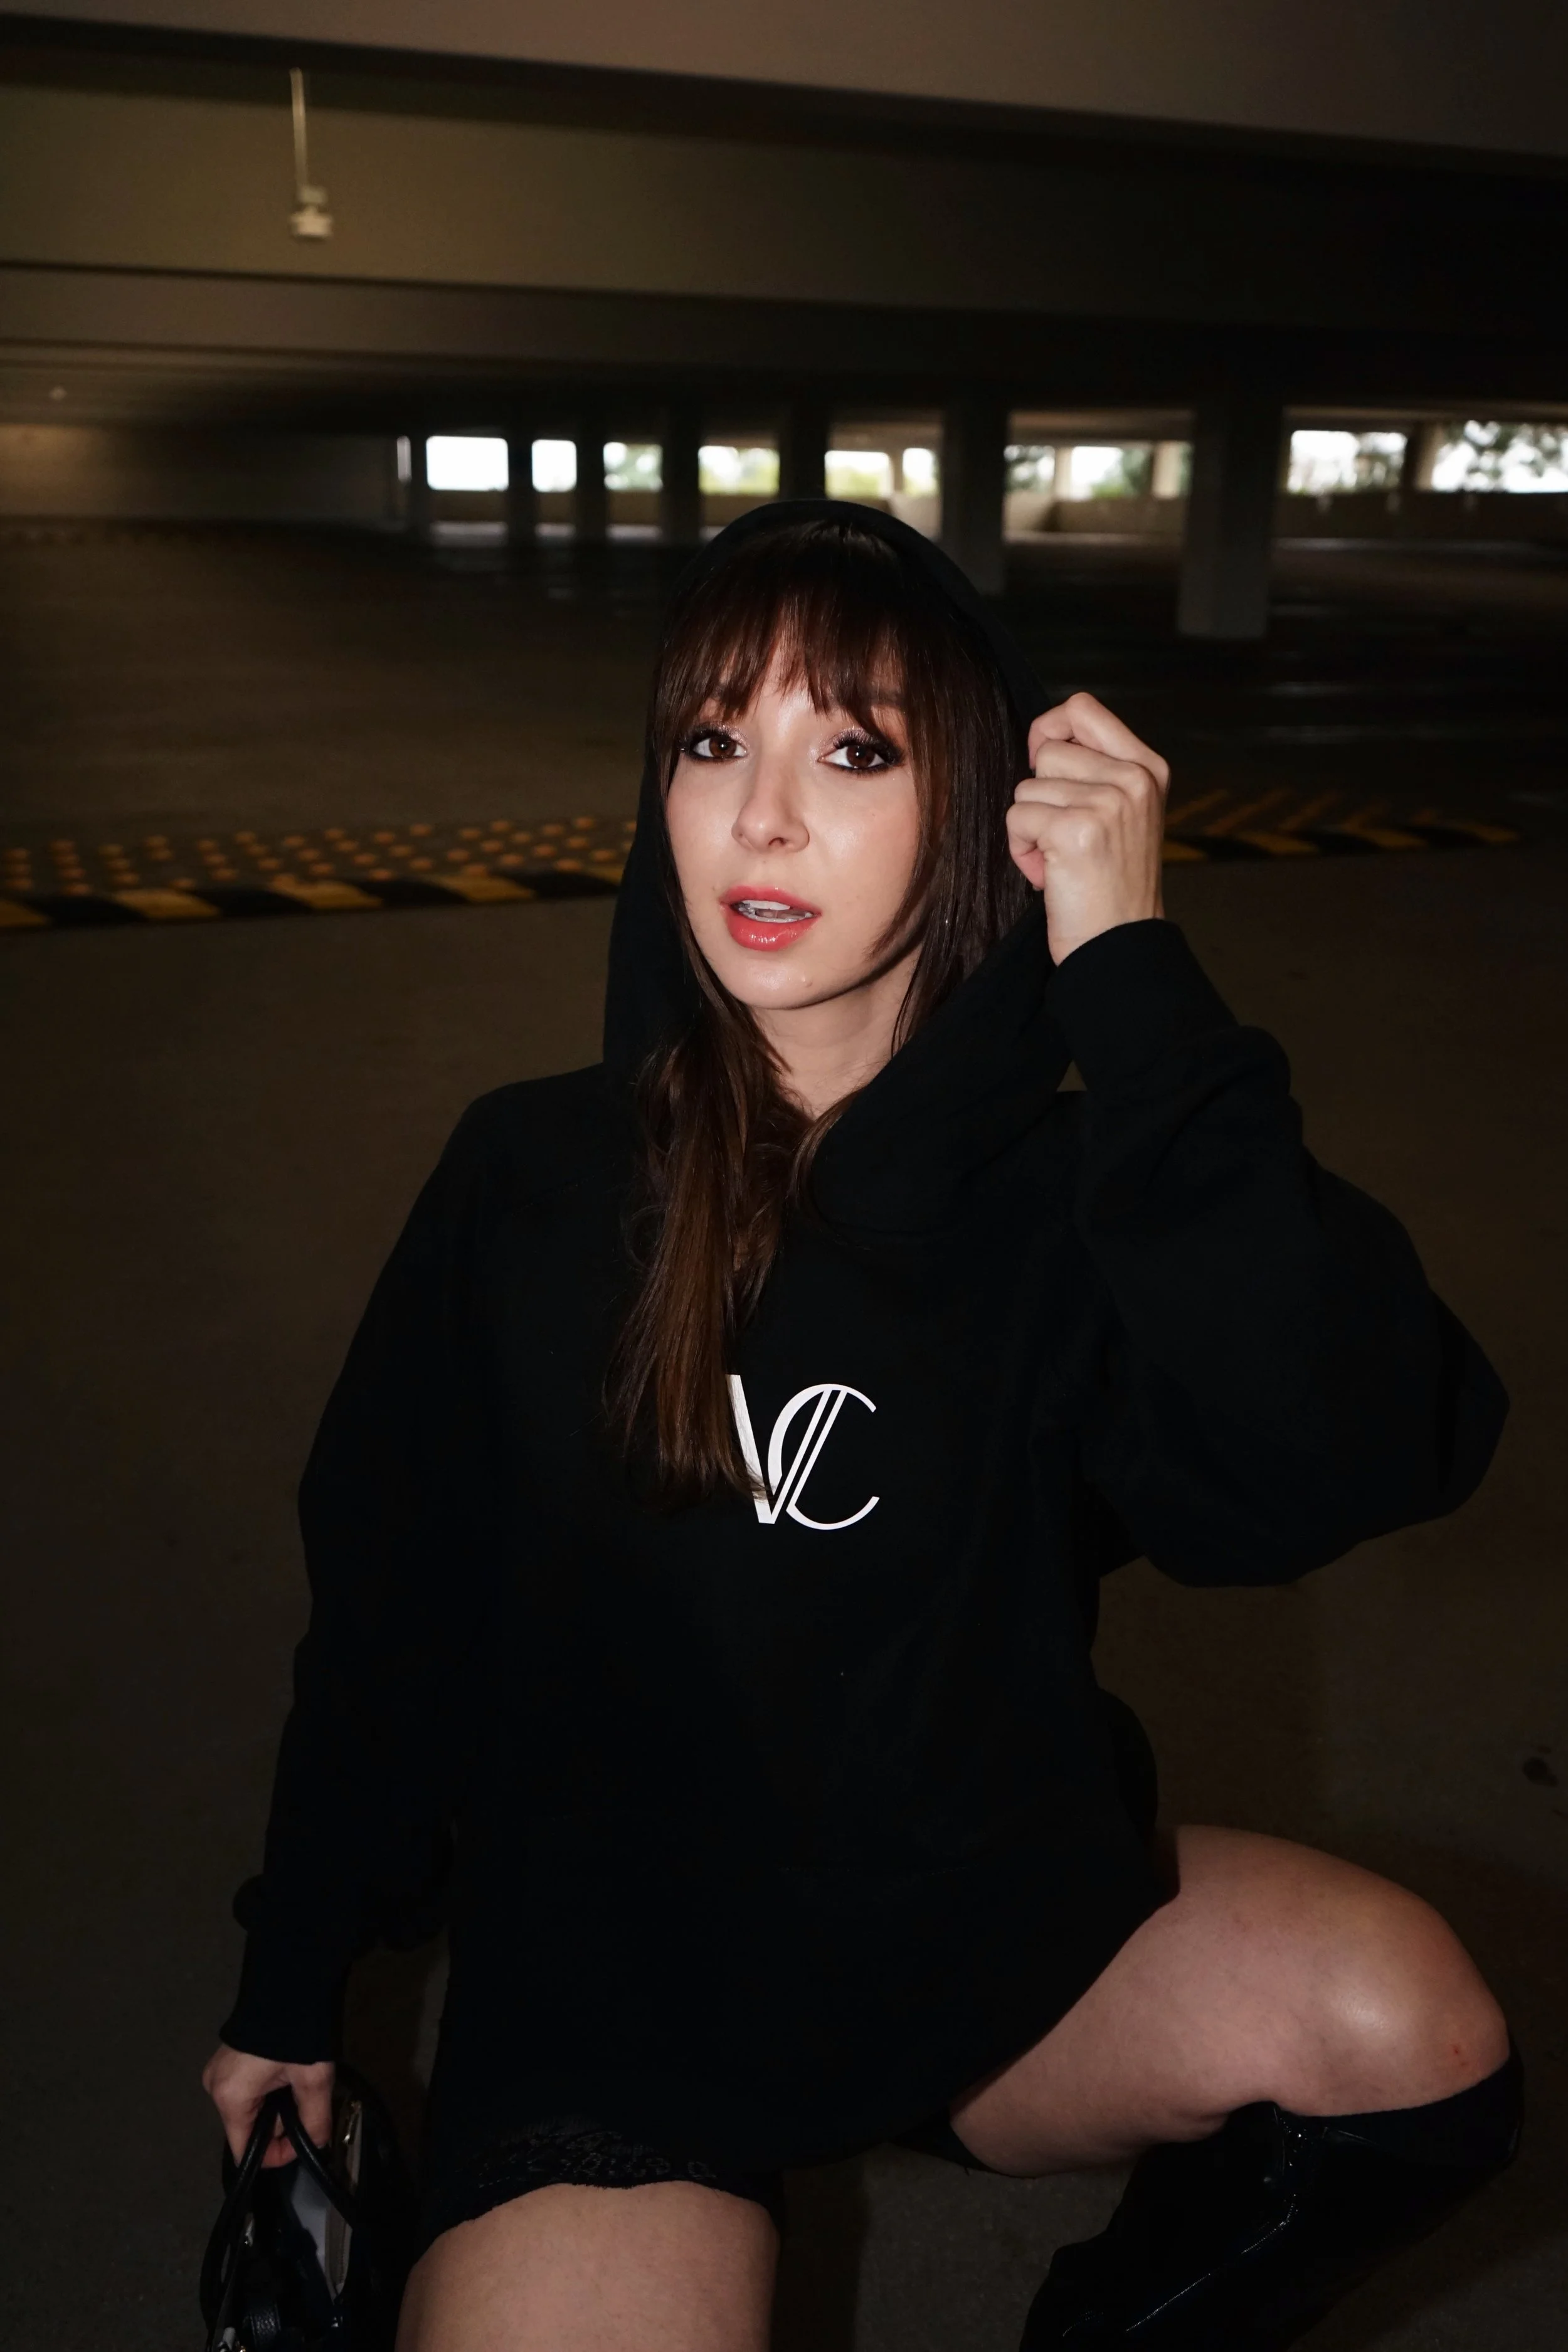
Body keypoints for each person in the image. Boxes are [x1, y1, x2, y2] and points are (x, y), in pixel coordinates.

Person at [204, 504, 1520, 2351]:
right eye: (711, 740)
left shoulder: (1071, 1198)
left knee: (1402, 2029)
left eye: (852, 751)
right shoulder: (532, 1177)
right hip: (620, 2006)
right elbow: (386, 1610)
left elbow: (1352, 1443)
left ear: (979, 812)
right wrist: (289, 1984)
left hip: (972, 1940)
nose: (758, 818)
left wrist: (1131, 970)